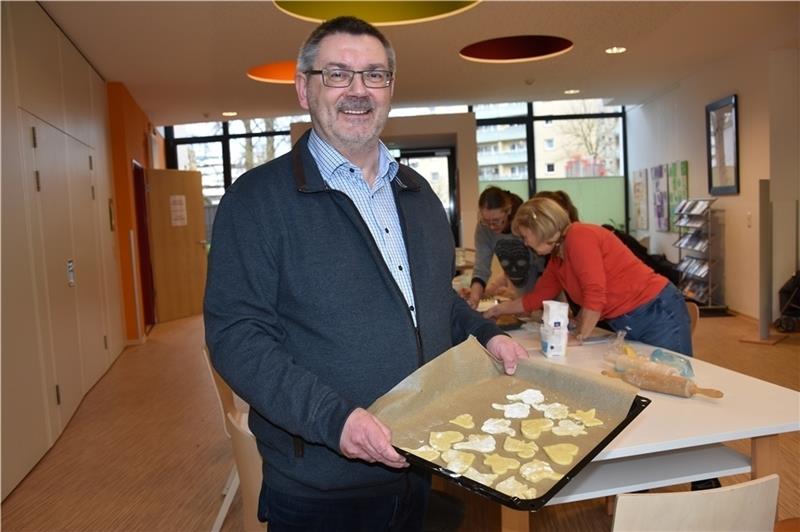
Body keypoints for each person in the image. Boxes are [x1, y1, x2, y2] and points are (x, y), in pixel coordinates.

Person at [203, 16, 528, 532]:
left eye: (374, 75)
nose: (358, 90)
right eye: (337, 74)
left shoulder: (419, 195)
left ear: (390, 89)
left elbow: (434, 302)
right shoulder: (256, 201)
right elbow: (238, 338)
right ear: (303, 88)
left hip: (420, 462)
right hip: (321, 481)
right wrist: (337, 422)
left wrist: (487, 335)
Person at [483, 197, 693, 355]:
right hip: (629, 318)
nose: (525, 243)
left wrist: (579, 336)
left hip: (656, 311)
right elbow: (536, 298)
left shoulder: (579, 236)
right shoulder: (558, 257)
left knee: (673, 375)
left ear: (539, 228)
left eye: (525, 236)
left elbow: (595, 293)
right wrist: (498, 310)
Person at [466, 186, 546, 309]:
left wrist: (537, 301)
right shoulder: (483, 229)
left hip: (544, 292)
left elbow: (543, 268)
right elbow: (481, 269)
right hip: (520, 296)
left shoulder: (525, 222)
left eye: (496, 220)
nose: (491, 227)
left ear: (508, 211)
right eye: (486, 221)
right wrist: (474, 298)